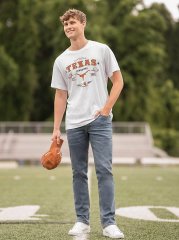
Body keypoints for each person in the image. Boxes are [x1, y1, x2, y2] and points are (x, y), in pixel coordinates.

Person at [51, 9, 124, 239]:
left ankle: (109, 223)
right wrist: (56, 128)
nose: (69, 27)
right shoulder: (61, 60)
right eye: (66, 24)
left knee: (104, 170)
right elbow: (61, 95)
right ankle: (82, 221)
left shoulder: (101, 49)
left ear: (83, 23)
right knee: (78, 173)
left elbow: (118, 81)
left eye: (72, 22)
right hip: (74, 124)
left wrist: (106, 109)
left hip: (100, 121)